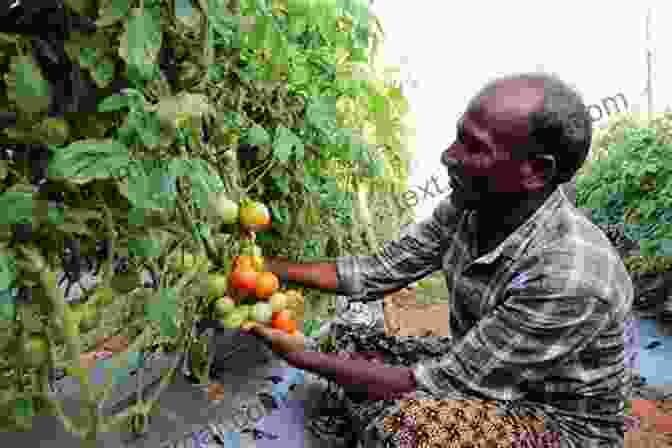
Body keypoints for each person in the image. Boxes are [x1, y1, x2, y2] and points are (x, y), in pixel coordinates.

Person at [241, 72, 634, 447]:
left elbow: (444, 383)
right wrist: (265, 269)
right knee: (344, 343)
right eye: (458, 138)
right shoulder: (467, 208)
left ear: (535, 171)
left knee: (406, 429)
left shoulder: (569, 276)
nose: (449, 156)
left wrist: (302, 358)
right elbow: (377, 272)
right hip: (486, 377)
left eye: (474, 147)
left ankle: (373, 415)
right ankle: (366, 405)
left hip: (556, 425)